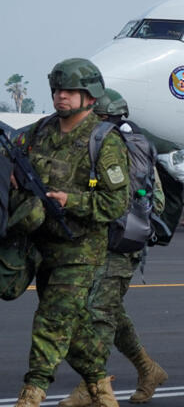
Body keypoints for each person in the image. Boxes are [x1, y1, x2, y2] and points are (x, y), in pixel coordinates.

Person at [11, 58, 131, 407]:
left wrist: (72, 201)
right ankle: (101, 388)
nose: (60, 97)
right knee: (74, 327)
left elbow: (115, 204)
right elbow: (13, 158)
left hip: (80, 250)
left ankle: (32, 392)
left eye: (69, 91)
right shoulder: (39, 131)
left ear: (89, 96)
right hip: (41, 245)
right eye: (57, 90)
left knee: (51, 319)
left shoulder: (104, 141)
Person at [58, 89, 168, 407]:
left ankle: (92, 387)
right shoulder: (95, 151)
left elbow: (155, 201)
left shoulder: (127, 151)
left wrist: (118, 206)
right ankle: (149, 370)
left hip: (119, 246)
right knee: (110, 313)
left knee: (99, 314)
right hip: (90, 247)